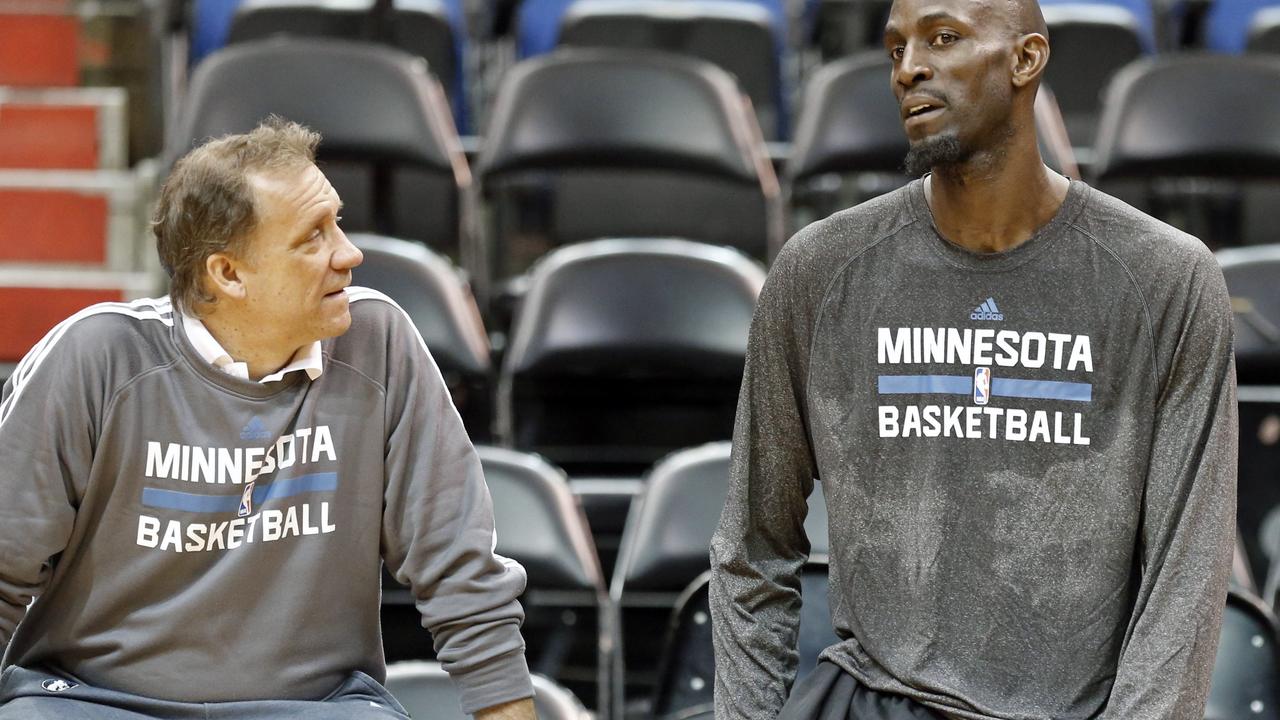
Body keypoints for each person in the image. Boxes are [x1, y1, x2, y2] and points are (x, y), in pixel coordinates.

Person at [708, 0, 1238, 716]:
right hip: (872, 699)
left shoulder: (1164, 279)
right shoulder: (819, 271)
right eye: (895, 49)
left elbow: (1185, 582)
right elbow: (752, 551)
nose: (910, 68)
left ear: (1026, 59)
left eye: (944, 37)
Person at [0, 118, 536, 720]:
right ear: (228, 274)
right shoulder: (96, 357)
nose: (349, 253)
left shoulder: (378, 342)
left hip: (315, 706)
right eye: (313, 237)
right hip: (91, 701)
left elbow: (459, 565)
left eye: (338, 222)